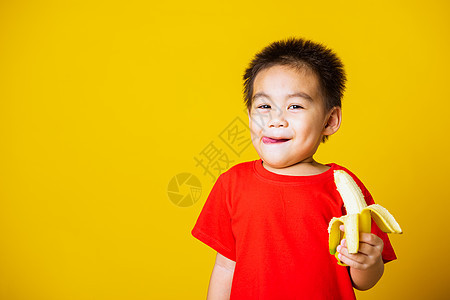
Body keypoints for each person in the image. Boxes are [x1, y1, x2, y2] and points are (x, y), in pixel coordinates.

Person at [191, 37, 397, 300]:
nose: (276, 119)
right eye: (264, 106)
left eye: (295, 106)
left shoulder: (342, 185)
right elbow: (225, 266)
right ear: (249, 116)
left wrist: (368, 263)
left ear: (330, 120)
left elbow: (363, 282)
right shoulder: (232, 183)